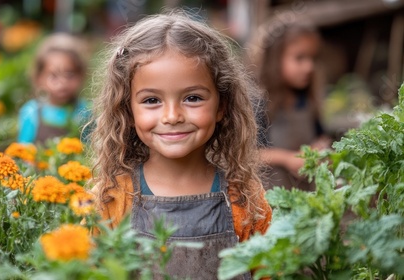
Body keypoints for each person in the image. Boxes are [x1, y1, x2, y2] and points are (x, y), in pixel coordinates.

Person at [90, 11, 272, 279]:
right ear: (127, 111)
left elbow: (268, 271)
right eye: (152, 100)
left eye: (193, 98)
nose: (172, 116)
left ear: (222, 105)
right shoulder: (112, 197)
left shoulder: (244, 197)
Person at [248, 19, 331, 191]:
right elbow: (249, 154)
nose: (309, 67)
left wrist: (319, 149)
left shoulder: (307, 100)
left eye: (312, 58)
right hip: (271, 199)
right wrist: (288, 159)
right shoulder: (259, 102)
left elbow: (321, 136)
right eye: (300, 58)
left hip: (306, 195)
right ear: (275, 59)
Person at [18, 33, 90, 144]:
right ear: (39, 77)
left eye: (70, 74)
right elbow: (23, 152)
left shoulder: (86, 112)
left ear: (81, 74)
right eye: (53, 76)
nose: (62, 83)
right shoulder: (31, 113)